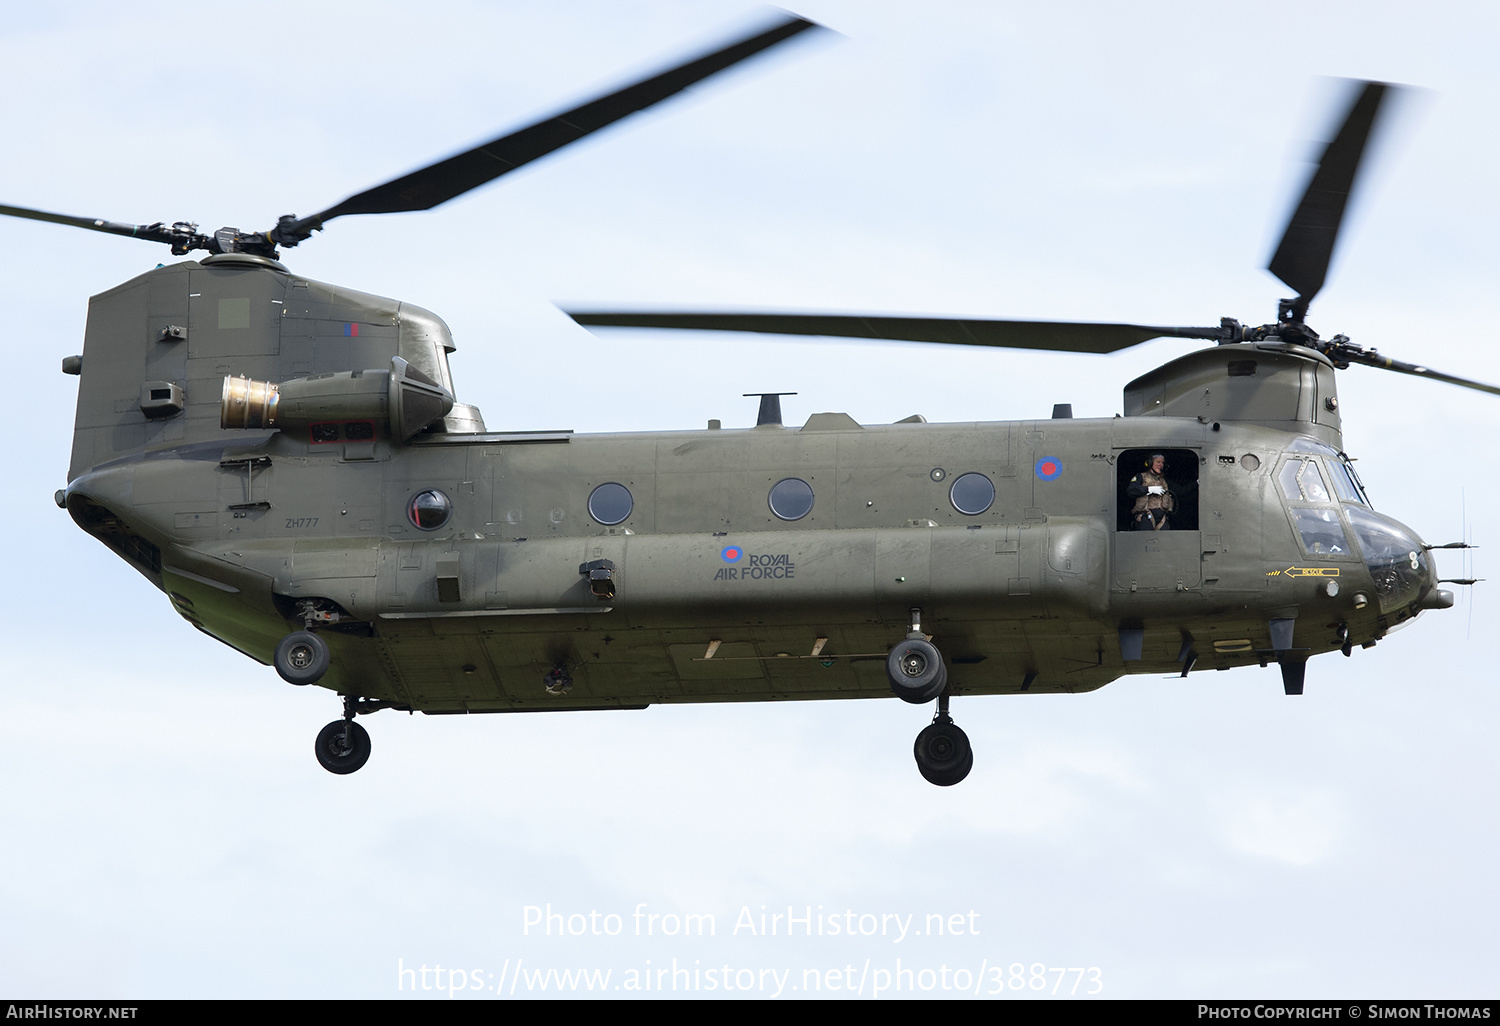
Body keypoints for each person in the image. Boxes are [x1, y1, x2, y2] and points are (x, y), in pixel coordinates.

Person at [1127, 453, 1174, 531]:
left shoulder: (1164, 480)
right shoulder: (1141, 477)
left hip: (1162, 518)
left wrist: (1197, 482)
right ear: (1150, 463)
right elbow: (1131, 489)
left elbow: (1181, 490)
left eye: (1162, 463)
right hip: (1146, 516)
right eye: (1158, 462)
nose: (1161, 465)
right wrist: (1149, 489)